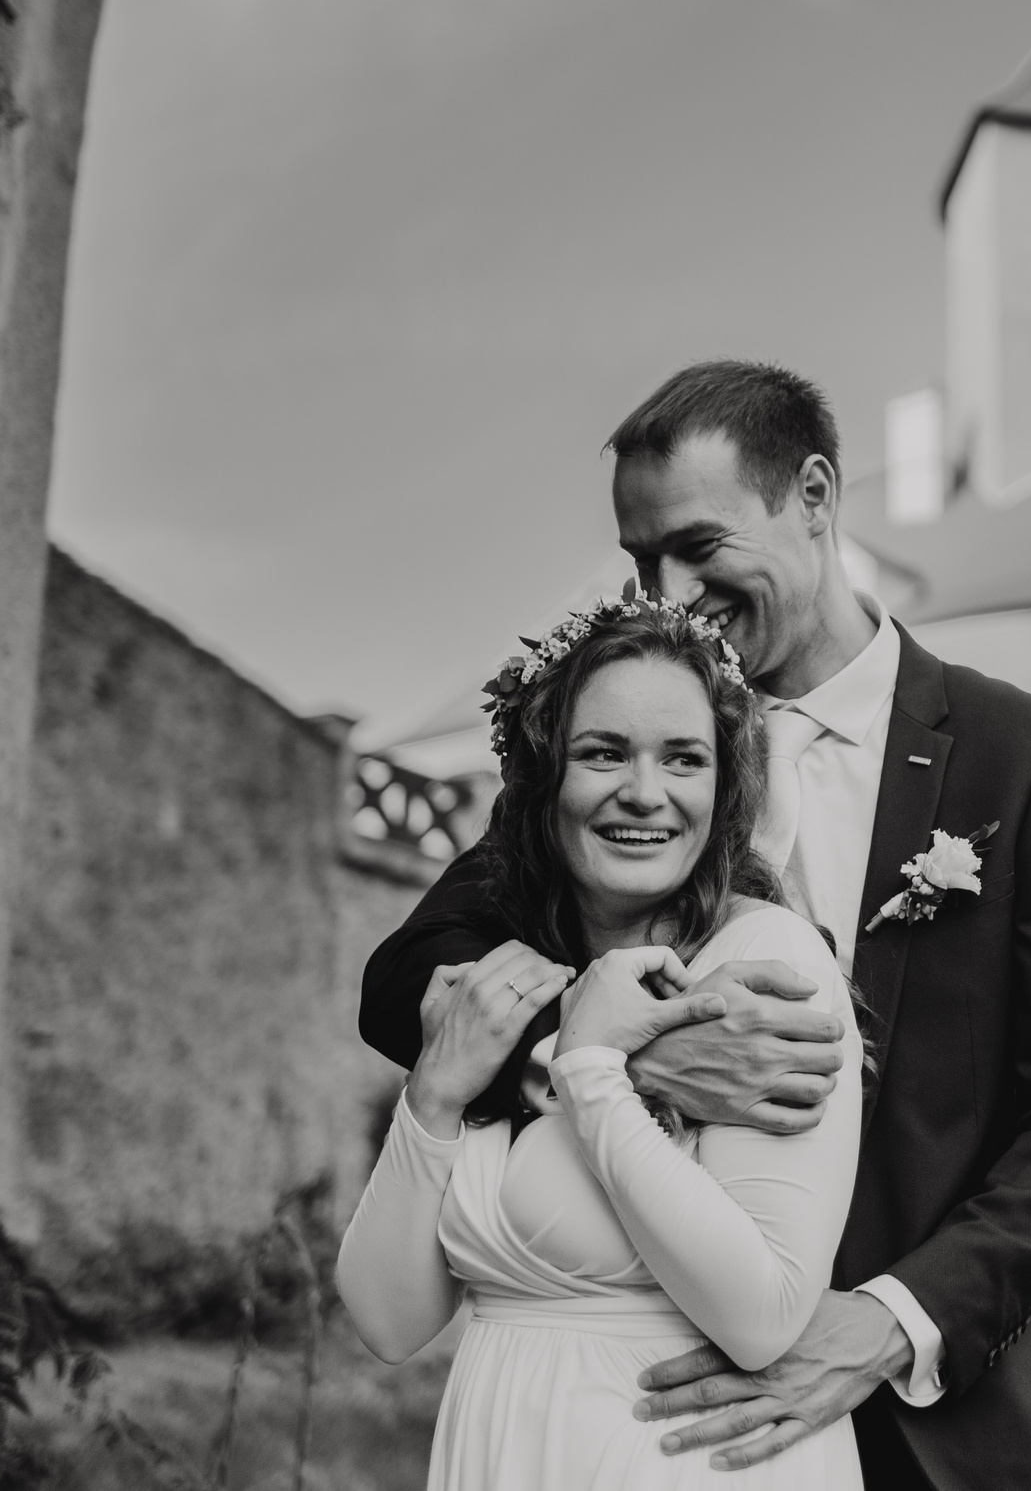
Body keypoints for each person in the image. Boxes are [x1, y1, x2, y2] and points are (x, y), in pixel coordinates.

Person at [360, 361, 1031, 1491]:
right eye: (641, 561)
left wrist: (886, 1321)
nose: (667, 592)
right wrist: (598, 1047)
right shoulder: (621, 755)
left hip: (947, 1431)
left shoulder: (1021, 754)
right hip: (661, 1425)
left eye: (698, 546)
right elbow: (406, 978)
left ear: (817, 498)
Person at [336, 596, 866, 1489]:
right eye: (603, 752)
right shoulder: (507, 979)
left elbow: (765, 1314)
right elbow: (389, 1322)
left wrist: (593, 1072)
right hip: (502, 1451)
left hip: (683, 1463)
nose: (644, 791)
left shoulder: (761, 964)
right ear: (543, 780)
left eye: (683, 759)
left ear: (723, 787)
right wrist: (432, 1098)